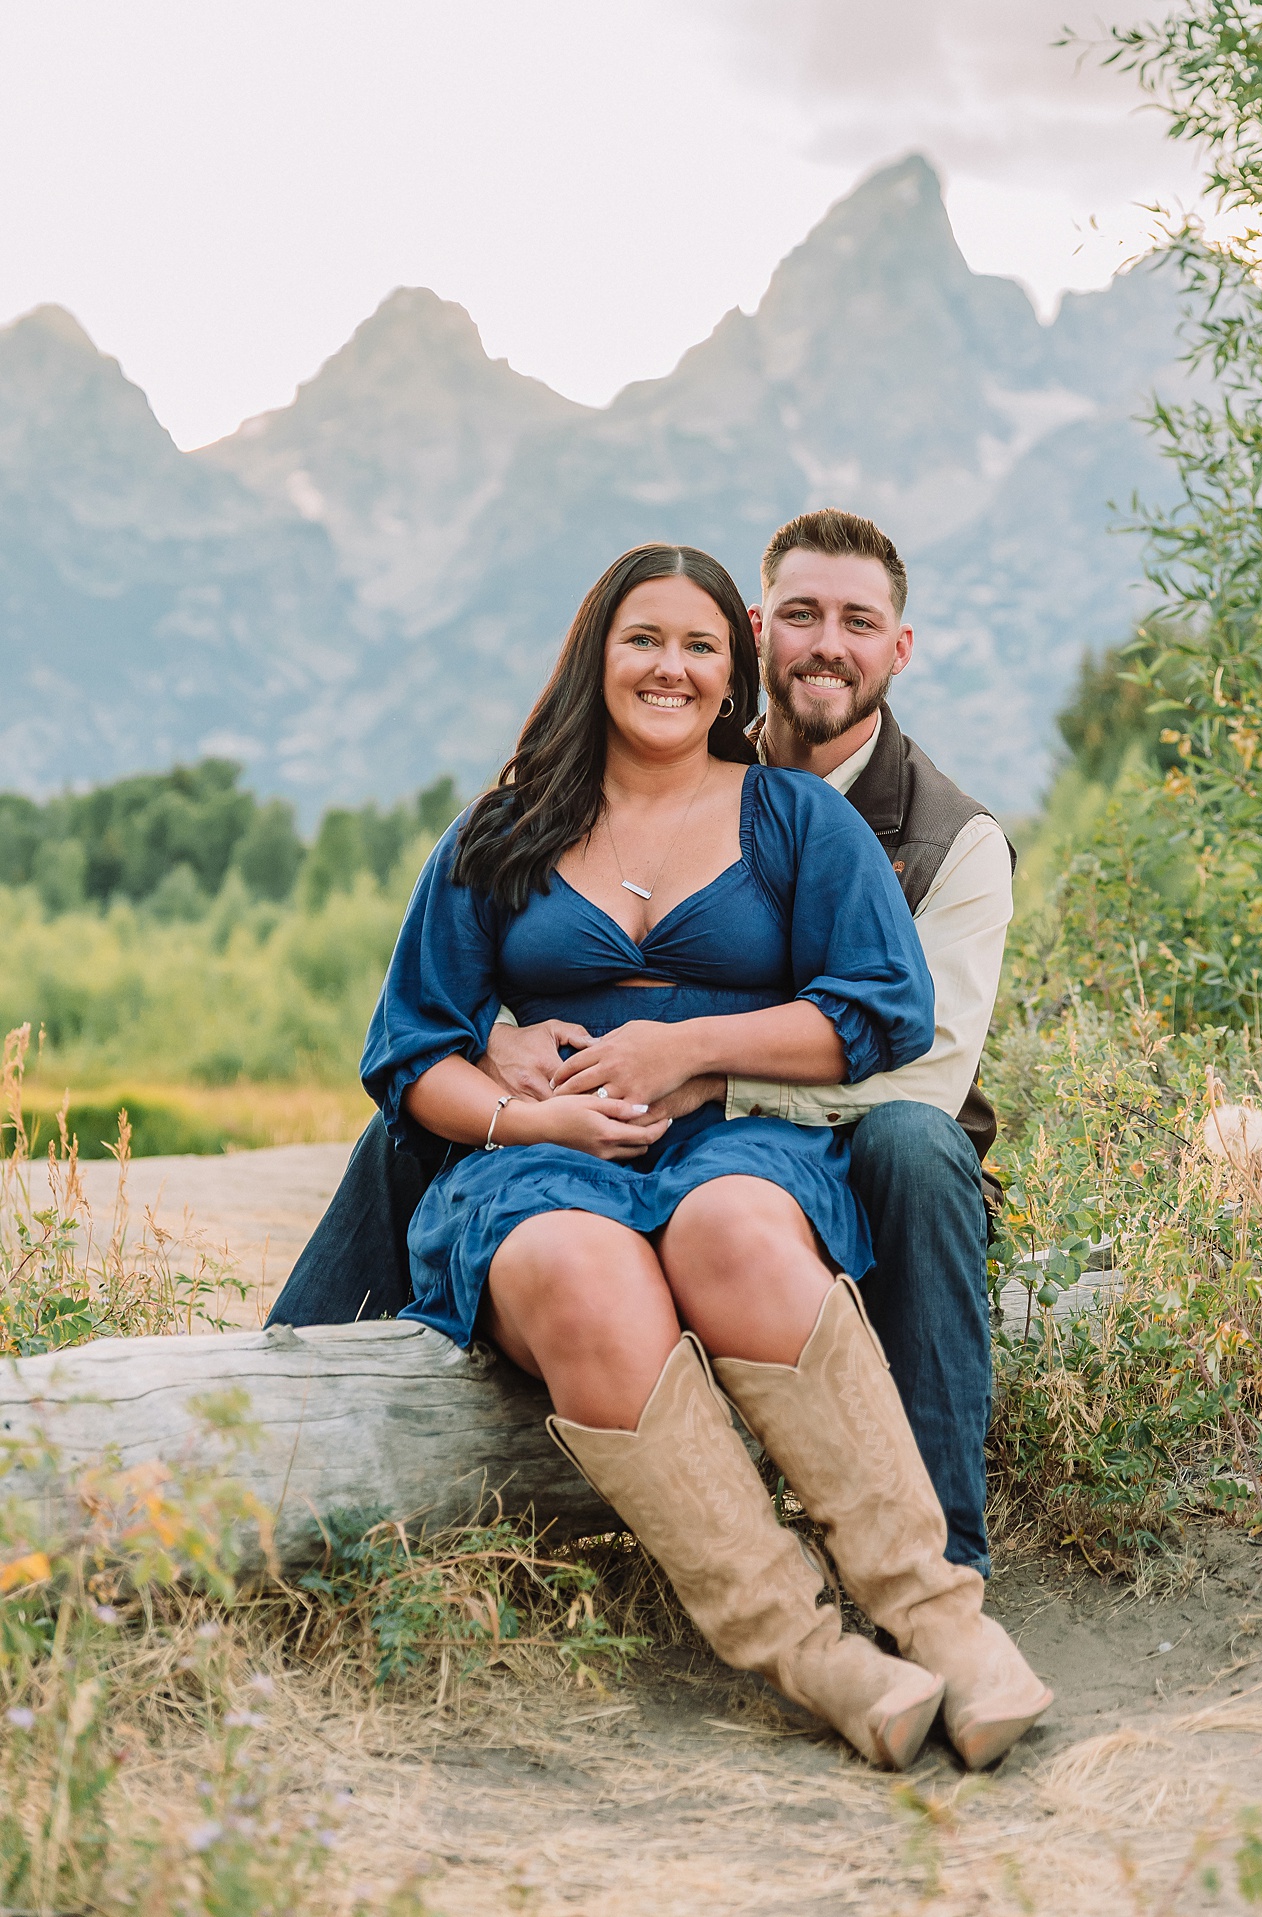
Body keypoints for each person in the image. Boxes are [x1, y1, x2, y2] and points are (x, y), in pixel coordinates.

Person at [358, 541, 1051, 1769]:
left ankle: (942, 1621)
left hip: (734, 1138)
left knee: (732, 1235)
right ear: (596, 653)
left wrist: (686, 1056)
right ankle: (811, 1653)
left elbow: (878, 1011)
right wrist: (534, 1114)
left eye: (695, 647)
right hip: (539, 1166)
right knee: (579, 1270)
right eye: (643, 640)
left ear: (732, 669)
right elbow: (417, 1054)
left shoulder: (792, 820)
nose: (669, 668)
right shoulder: (502, 830)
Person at [269, 508, 1011, 1576]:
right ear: (758, 635)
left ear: (898, 648)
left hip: (848, 1133)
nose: (826, 644)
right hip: (624, 1118)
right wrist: (495, 1044)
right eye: (800, 615)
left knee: (915, 1148)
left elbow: (920, 1065)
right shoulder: (682, 757)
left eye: (858, 621)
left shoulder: (951, 839)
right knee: (405, 1134)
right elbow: (455, 996)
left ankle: (945, 1554)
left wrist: (695, 1070)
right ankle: (293, 1413)